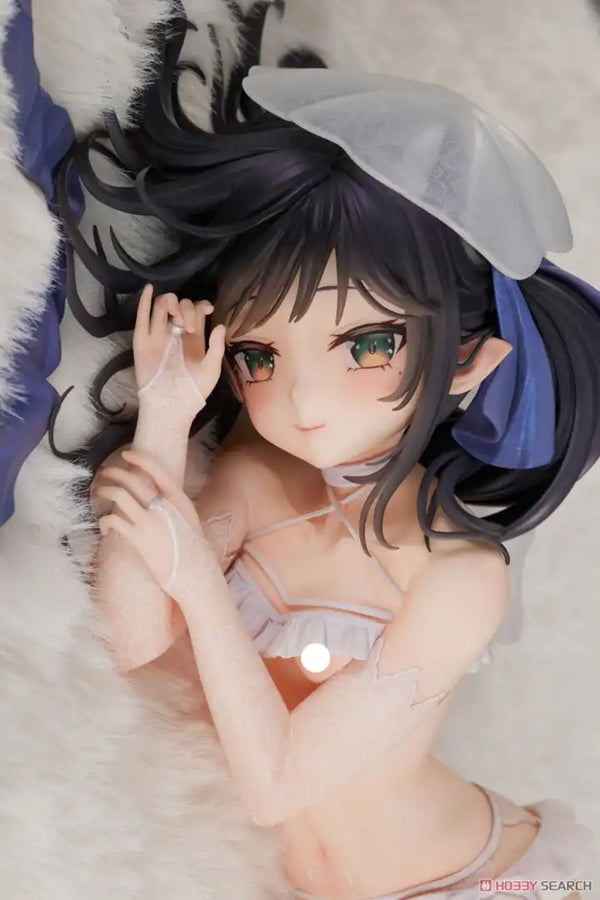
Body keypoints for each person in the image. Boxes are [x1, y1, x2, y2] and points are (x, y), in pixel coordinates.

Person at [53, 9, 598, 900]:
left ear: (470, 360)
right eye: (261, 356)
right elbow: (128, 637)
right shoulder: (255, 472)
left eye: (368, 345)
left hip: (473, 879)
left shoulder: (459, 578)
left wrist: (199, 582)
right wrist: (164, 423)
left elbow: (276, 784)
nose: (304, 400)